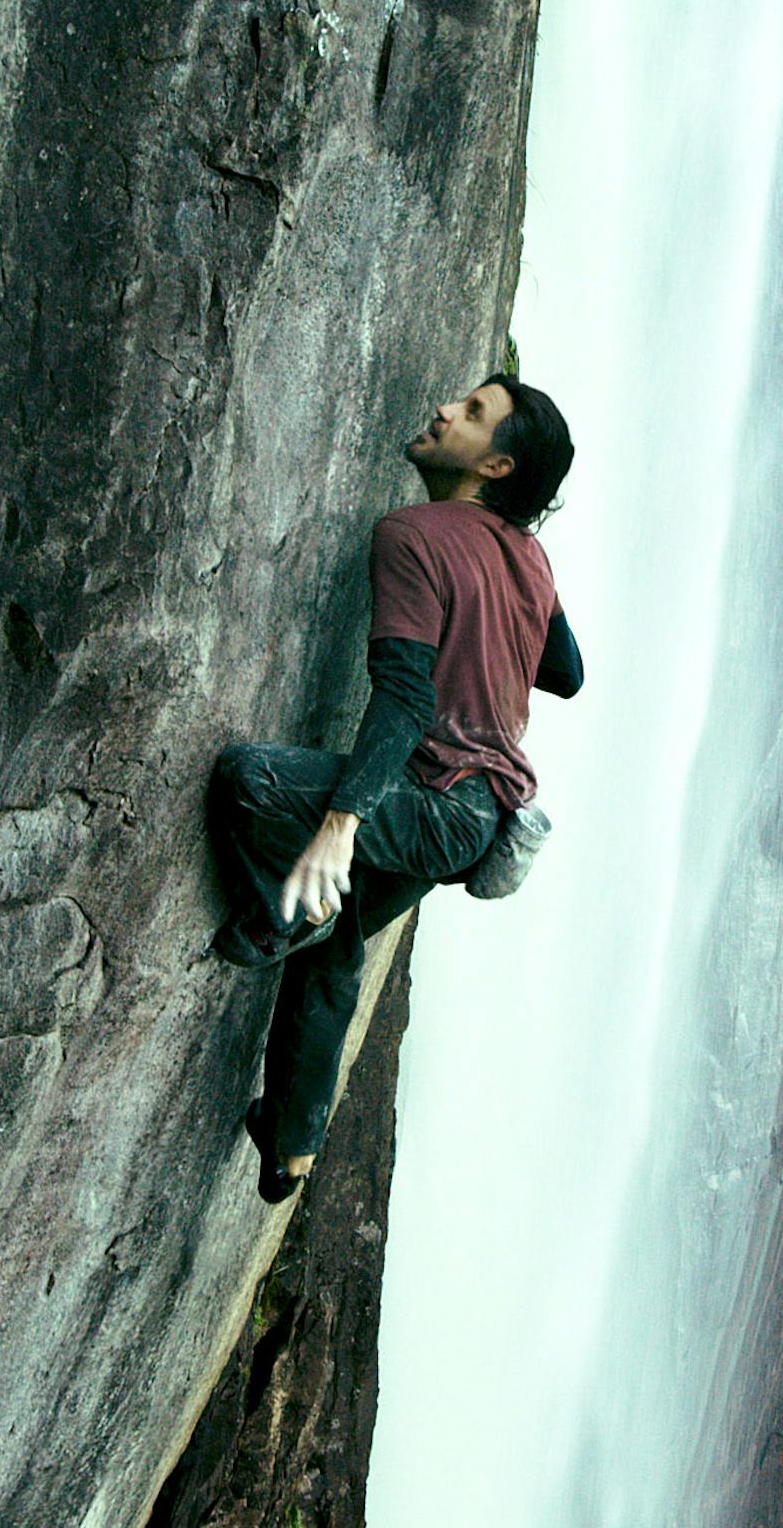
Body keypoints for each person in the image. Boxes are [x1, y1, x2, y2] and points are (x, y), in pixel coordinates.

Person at [206, 372, 581, 1203]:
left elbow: (407, 695)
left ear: (496, 467)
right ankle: (290, 1150)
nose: (446, 409)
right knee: (335, 951)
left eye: (473, 414)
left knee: (250, 780)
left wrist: (342, 820)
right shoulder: (533, 558)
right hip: (477, 816)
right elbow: (569, 672)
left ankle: (279, 919)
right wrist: (500, 632)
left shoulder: (411, 535)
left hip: (432, 805)